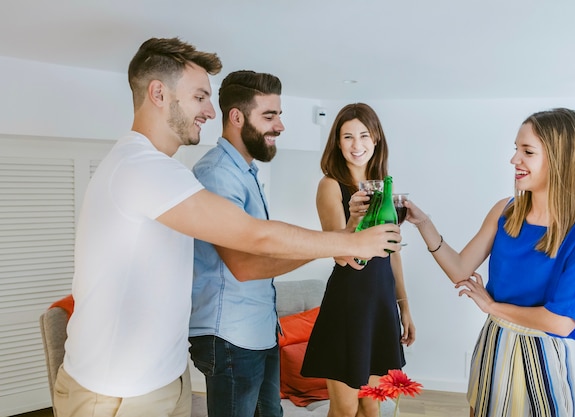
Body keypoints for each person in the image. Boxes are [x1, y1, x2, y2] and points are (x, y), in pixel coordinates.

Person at [53, 38, 402, 417]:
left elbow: (255, 244)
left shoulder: (170, 171)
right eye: (200, 96)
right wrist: (346, 241)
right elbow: (252, 243)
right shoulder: (144, 168)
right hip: (119, 391)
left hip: (160, 378)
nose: (209, 109)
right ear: (158, 93)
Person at [404, 108, 575, 417]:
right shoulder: (506, 210)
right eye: (516, 149)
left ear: (562, 159)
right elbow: (460, 269)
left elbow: (560, 322)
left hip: (540, 353)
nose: (514, 159)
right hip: (494, 342)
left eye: (527, 151)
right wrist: (424, 224)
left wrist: (491, 307)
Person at [188, 70, 305, 416]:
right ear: (236, 117)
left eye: (279, 115)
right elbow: (244, 265)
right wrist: (331, 246)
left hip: (258, 330)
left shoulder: (246, 173)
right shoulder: (217, 174)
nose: (280, 126)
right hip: (230, 338)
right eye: (270, 116)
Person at [301, 103, 415, 417]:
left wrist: (403, 306)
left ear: (376, 138)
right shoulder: (330, 185)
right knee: (345, 408)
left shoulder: (384, 186)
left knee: (372, 405)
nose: (357, 144)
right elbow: (340, 255)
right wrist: (352, 221)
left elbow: (392, 253)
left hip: (380, 306)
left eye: (363, 135)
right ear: (338, 143)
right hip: (348, 307)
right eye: (348, 137)